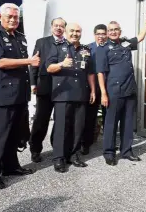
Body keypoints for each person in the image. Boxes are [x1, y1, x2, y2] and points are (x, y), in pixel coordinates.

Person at [0, 3, 40, 190]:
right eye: (10, 17)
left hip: (19, 94)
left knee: (14, 134)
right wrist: (29, 61)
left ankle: (11, 166)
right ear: (0, 16)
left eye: (16, 17)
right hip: (1, 95)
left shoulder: (20, 37)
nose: (14, 20)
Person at [96, 12, 146, 166]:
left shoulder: (126, 43)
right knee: (111, 123)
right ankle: (109, 153)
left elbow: (140, 37)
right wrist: (103, 94)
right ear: (107, 33)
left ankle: (127, 151)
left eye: (116, 29)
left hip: (129, 90)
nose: (113, 32)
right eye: (111, 30)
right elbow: (100, 72)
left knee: (128, 123)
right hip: (113, 92)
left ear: (120, 31)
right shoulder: (103, 49)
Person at [46, 23, 96, 173]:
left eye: (78, 31)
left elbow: (90, 72)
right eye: (72, 31)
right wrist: (62, 64)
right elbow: (48, 68)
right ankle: (59, 158)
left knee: (78, 126)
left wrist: (93, 90)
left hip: (81, 93)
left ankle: (74, 154)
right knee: (62, 127)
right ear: (66, 32)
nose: (75, 33)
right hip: (63, 94)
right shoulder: (57, 47)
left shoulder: (86, 50)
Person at [29, 17, 67, 163]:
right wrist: (33, 83)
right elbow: (34, 63)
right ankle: (35, 148)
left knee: (60, 120)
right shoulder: (41, 42)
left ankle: (56, 148)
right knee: (41, 119)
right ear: (51, 27)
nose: (58, 28)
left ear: (64, 28)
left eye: (61, 26)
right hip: (44, 85)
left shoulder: (67, 43)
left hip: (62, 87)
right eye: (56, 25)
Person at [81, 24, 108, 155]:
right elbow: (82, 67)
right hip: (92, 88)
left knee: (108, 117)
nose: (101, 36)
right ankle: (86, 143)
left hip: (109, 88)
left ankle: (109, 144)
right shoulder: (87, 48)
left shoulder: (111, 47)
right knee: (89, 116)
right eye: (98, 34)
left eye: (103, 34)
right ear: (94, 35)